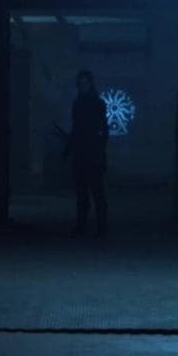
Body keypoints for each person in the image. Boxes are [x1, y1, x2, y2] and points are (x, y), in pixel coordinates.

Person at [65, 69, 109, 237]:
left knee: (96, 193)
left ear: (90, 84)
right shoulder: (79, 104)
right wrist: (70, 148)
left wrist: (99, 151)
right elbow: (77, 128)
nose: (82, 86)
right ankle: (84, 226)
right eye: (80, 83)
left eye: (84, 83)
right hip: (82, 153)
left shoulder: (96, 104)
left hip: (92, 154)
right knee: (83, 193)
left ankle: (100, 228)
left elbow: (103, 130)